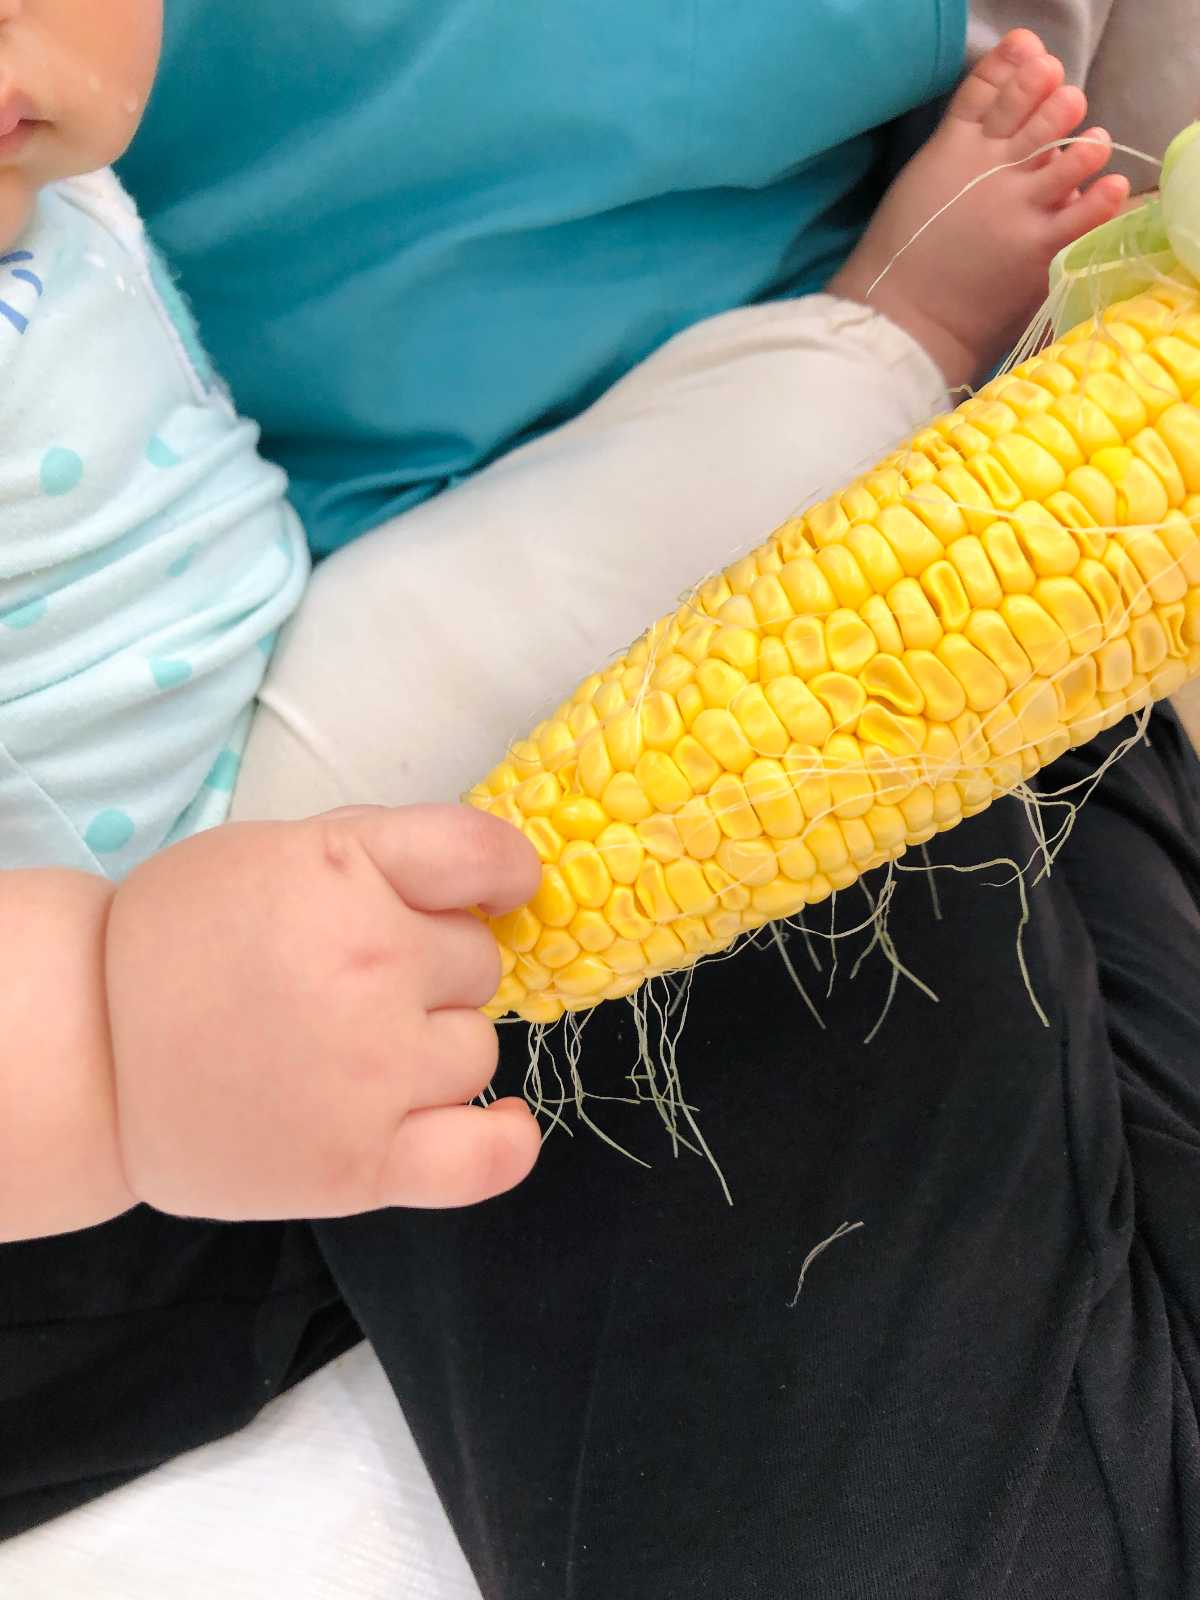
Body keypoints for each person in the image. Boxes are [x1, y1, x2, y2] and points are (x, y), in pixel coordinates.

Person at [2, 4, 1199, 1597]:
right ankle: (878, 343)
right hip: (170, 925)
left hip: (268, 666)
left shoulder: (73, 158)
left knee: (631, 565)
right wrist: (110, 1037)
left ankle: (875, 336)